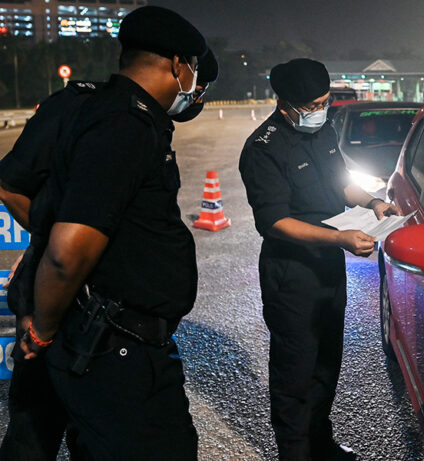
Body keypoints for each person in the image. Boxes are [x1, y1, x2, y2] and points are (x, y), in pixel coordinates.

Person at [0, 45, 218, 460]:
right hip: (104, 333)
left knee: (40, 440)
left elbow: (16, 186)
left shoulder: (83, 105)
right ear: (179, 67)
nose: (197, 96)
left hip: (64, 311)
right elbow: (61, 242)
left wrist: (58, 248)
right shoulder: (126, 122)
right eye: (197, 80)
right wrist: (67, 254)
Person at [239, 58, 400, 461]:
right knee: (295, 371)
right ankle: (295, 453)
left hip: (328, 264)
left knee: (328, 362)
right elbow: (274, 222)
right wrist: (339, 238)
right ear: (287, 103)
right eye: (313, 104)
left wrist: (373, 202)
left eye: (325, 102)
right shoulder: (263, 149)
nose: (320, 110)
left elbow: (339, 183)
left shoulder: (323, 128)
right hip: (291, 272)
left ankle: (320, 442)